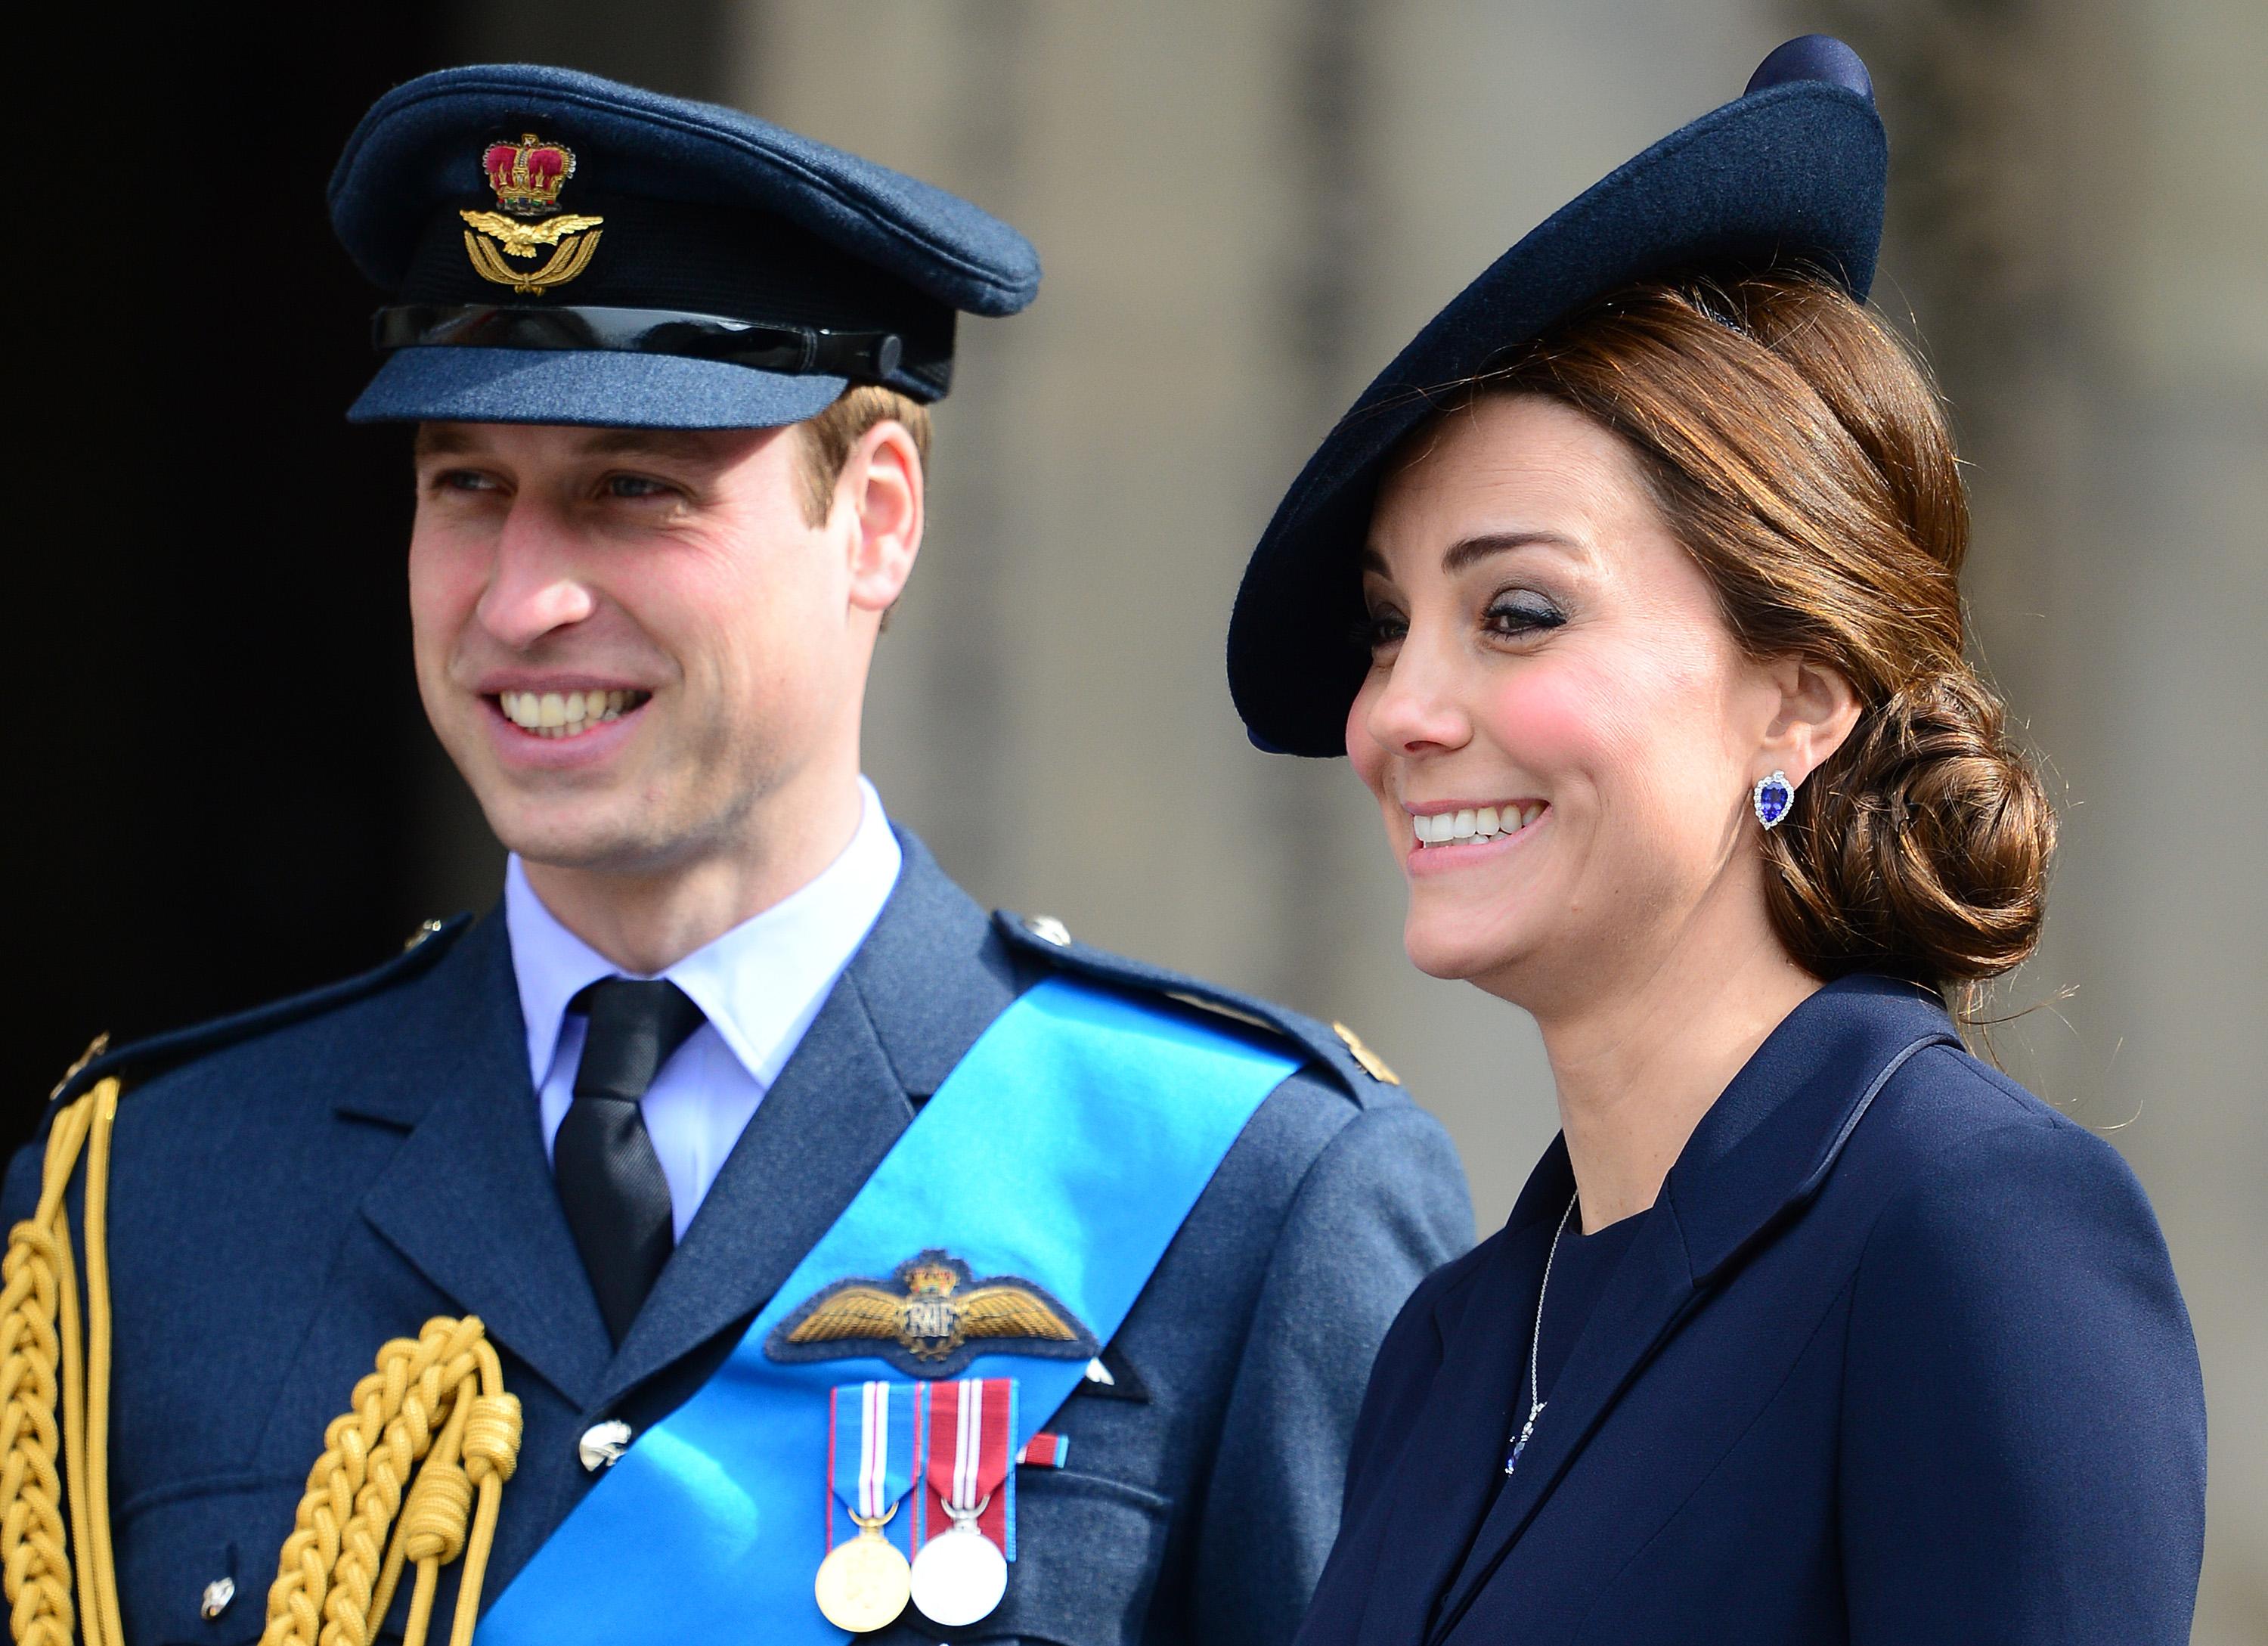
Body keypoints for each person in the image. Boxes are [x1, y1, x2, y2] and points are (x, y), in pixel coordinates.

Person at [2, 65, 1470, 1646]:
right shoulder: (151, 1198)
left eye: (632, 493)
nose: (520, 601)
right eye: (465, 489)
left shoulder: (1248, 1194)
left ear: (880, 519)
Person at [1225, 36, 2205, 1646]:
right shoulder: (1455, 1342)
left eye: (1517, 614)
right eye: (1392, 630)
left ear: (1799, 700)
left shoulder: (1972, 1233)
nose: (1400, 711)